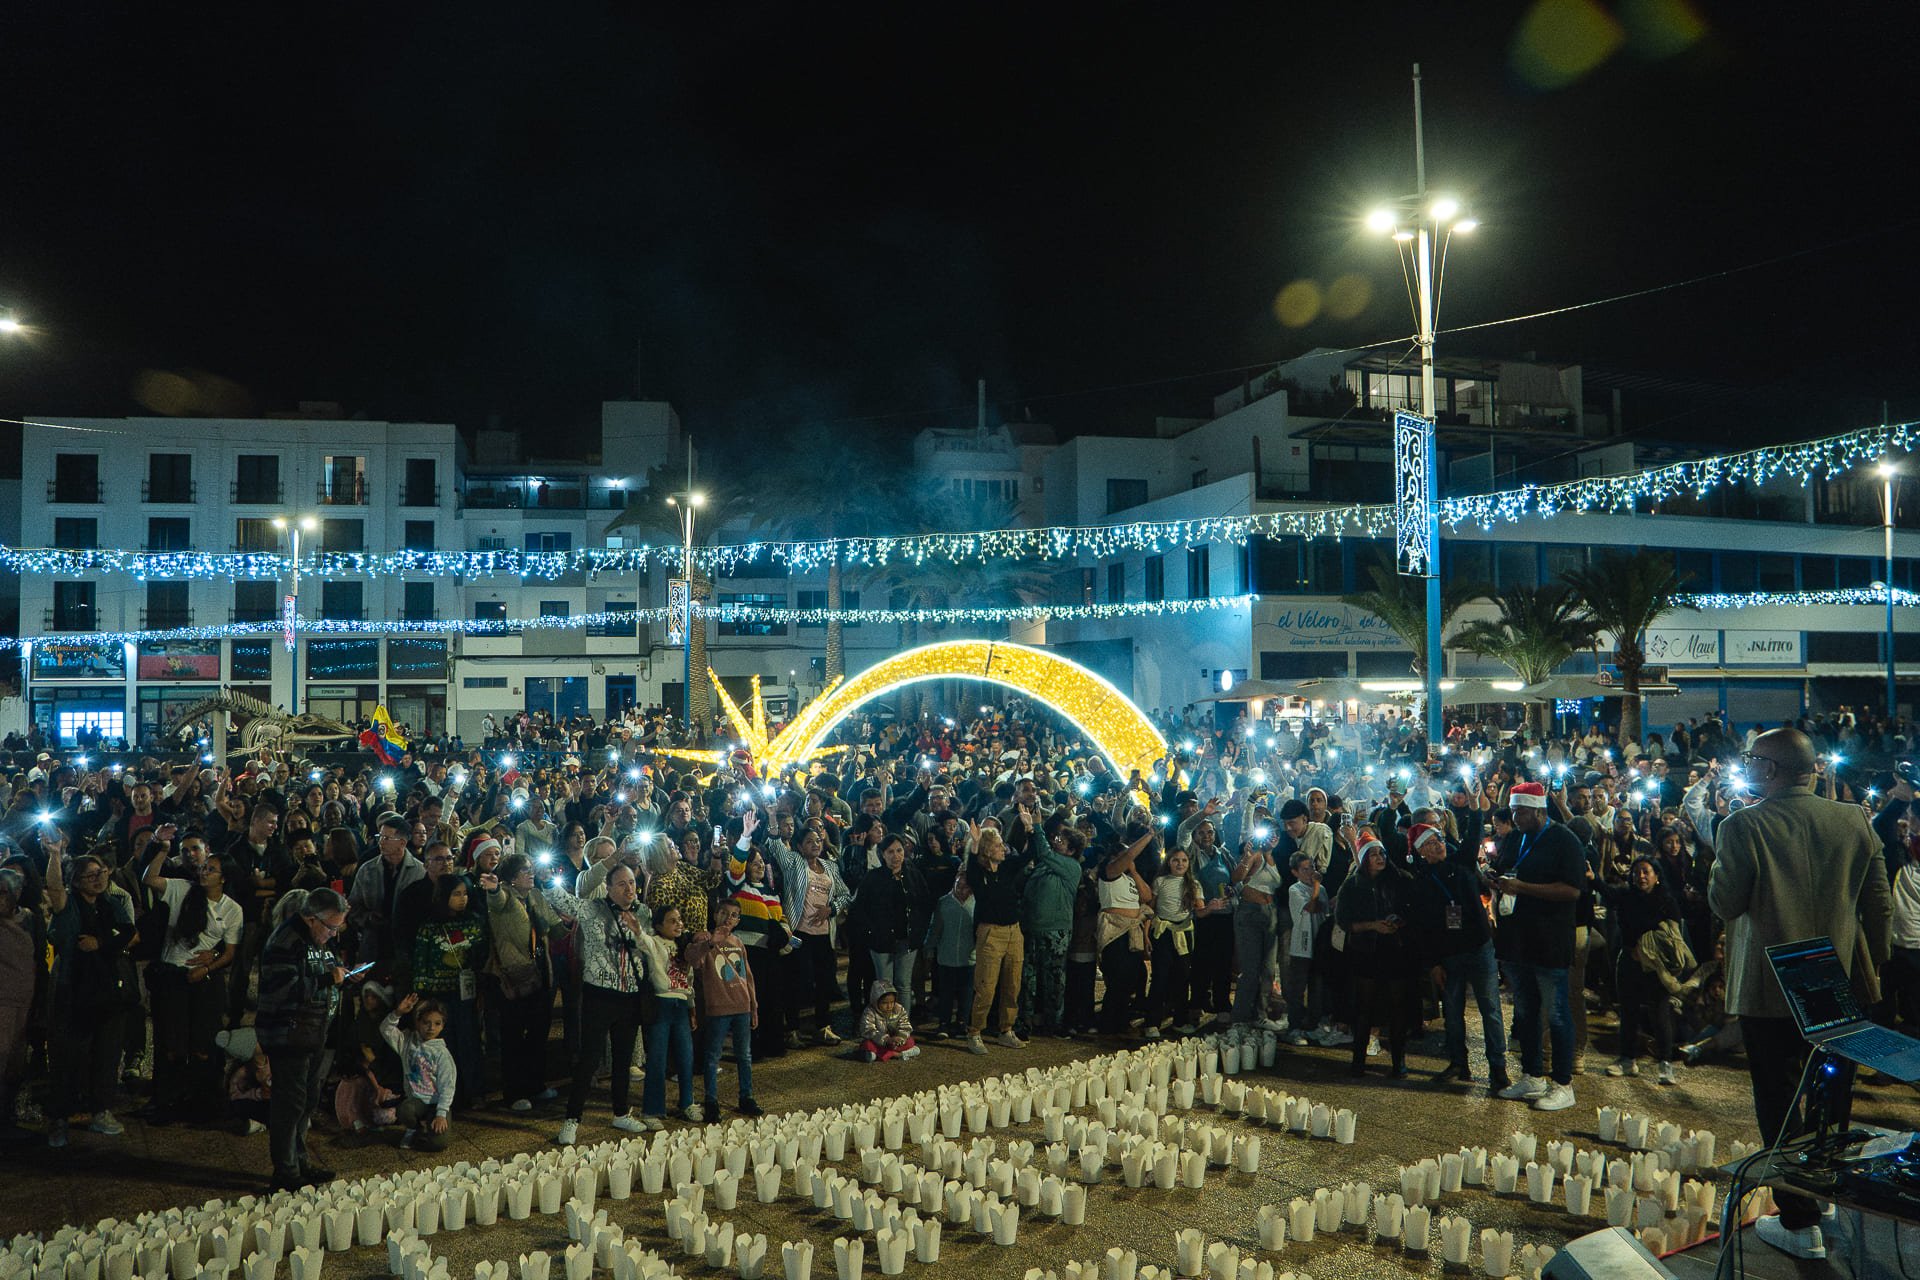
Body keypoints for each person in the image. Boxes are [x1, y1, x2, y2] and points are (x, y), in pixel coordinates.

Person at [1708, 727, 1892, 1261]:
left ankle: (1798, 1221)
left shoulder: (1743, 825)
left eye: (1752, 760)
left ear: (1769, 770)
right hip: (1841, 981)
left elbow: (1725, 901)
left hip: (1771, 988)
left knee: (1781, 1101)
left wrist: (1724, 837)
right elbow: (1877, 903)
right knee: (1833, 1094)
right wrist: (1869, 969)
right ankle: (1826, 1194)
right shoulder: (1854, 819)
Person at [1488, 781, 1585, 1113]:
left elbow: (1572, 890)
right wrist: (1494, 877)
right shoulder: (1516, 838)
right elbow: (1506, 871)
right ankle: (1532, 1075)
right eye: (1513, 810)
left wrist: (1523, 887)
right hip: (1518, 940)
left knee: (1557, 1013)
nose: (1515, 817)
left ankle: (1563, 1083)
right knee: (1526, 1011)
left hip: (1550, 941)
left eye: (1522, 811)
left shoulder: (1564, 840)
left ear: (1540, 811)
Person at [545, 857, 653, 1143]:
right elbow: (563, 901)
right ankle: (572, 1119)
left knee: (623, 1057)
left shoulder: (644, 913)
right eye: (621, 884)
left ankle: (620, 1112)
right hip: (599, 995)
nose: (629, 889)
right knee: (589, 1058)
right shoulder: (593, 908)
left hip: (630, 995)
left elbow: (650, 949)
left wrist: (639, 932)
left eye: (632, 882)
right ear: (608, 887)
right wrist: (545, 879)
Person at [256, 887, 353, 1191]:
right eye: (331, 927)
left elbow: (321, 971)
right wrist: (327, 979)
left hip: (313, 1031)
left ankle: (301, 1161)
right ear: (311, 919)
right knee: (290, 1103)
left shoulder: (317, 939)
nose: (334, 934)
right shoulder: (285, 941)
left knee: (307, 1100)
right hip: (288, 1033)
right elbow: (282, 988)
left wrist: (340, 974)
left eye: (339, 927)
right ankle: (285, 1170)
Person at [141, 839, 244, 1123]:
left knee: (202, 1043)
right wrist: (162, 849)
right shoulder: (182, 890)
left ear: (223, 877)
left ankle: (201, 1103)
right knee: (171, 1043)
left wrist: (208, 967)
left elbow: (231, 951)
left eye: (211, 870)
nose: (204, 872)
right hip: (173, 976)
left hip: (204, 982)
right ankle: (166, 1101)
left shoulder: (232, 910)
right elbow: (150, 878)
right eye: (204, 867)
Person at [44, 840, 136, 1149]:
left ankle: (101, 1109)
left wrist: (100, 942)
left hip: (107, 987)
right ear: (76, 881)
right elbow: (54, 887)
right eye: (90, 875)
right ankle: (60, 1117)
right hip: (73, 987)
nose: (98, 879)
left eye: (101, 872)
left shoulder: (113, 904)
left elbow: (128, 932)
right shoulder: (68, 905)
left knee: (107, 1053)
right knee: (69, 1055)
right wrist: (56, 855)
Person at [1404, 820, 1505, 1089]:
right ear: (1420, 851)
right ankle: (1459, 1062)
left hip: (1479, 947)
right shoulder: (1420, 882)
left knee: (1491, 1010)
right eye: (1430, 843)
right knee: (1452, 1012)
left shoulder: (1461, 862)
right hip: (1449, 955)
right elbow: (1423, 928)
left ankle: (1498, 1068)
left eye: (1438, 839)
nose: (1438, 845)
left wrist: (1474, 807)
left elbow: (1472, 835)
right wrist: (1434, 964)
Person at [479, 852, 563, 1111]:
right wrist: (493, 889)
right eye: (525, 871)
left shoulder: (535, 895)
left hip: (540, 973)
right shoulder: (504, 896)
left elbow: (555, 924)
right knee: (513, 1035)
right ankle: (513, 1092)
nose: (531, 874)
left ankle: (535, 1085)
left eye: (531, 869)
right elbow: (497, 901)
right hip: (512, 976)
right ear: (512, 878)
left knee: (538, 1032)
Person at [1599, 856, 1683, 1083]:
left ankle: (1665, 1063)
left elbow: (1674, 935)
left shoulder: (1666, 901)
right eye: (1637, 872)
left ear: (1656, 876)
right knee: (1628, 1012)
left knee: (1660, 1012)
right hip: (1628, 961)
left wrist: (1649, 950)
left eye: (1646, 872)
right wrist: (1593, 879)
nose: (1641, 876)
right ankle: (1627, 1059)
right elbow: (1608, 892)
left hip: (1656, 966)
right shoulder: (1627, 896)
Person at [1335, 831, 1413, 1077]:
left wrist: (1398, 923)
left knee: (1398, 1006)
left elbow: (1411, 909)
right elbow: (1344, 921)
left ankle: (1398, 1061)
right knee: (1364, 1007)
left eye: (1381, 853)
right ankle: (1358, 1059)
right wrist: (1372, 925)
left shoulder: (1400, 879)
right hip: (1366, 951)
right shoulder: (1353, 884)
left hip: (1395, 950)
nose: (1379, 858)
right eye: (1373, 854)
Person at [688, 898, 762, 1118]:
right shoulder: (704, 939)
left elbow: (747, 976)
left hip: (741, 1005)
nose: (728, 918)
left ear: (738, 920)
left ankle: (746, 1096)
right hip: (718, 1007)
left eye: (733, 915)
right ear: (715, 915)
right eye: (724, 913)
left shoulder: (738, 943)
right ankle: (711, 1100)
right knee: (712, 1056)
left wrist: (753, 1005)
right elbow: (693, 959)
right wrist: (711, 943)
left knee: (744, 1055)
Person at [963, 824, 1030, 1054]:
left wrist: (1031, 827)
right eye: (999, 845)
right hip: (991, 932)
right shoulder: (979, 873)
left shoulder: (1008, 867)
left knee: (1013, 984)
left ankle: (1006, 1029)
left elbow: (1031, 854)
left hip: (1014, 931)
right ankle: (974, 1031)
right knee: (986, 986)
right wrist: (973, 844)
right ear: (987, 850)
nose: (1004, 849)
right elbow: (971, 871)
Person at [638, 904, 699, 1125]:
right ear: (658, 925)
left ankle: (687, 1102)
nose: (678, 924)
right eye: (672, 921)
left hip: (681, 1005)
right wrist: (637, 929)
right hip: (661, 1003)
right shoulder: (655, 943)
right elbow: (642, 941)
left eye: (680, 919)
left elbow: (689, 980)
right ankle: (652, 1110)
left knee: (686, 1057)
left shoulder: (684, 947)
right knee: (657, 1058)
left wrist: (692, 1008)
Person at [381, 992, 456, 1151]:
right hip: (417, 1101)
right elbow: (385, 1029)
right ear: (418, 1023)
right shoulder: (407, 1041)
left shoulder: (442, 1054)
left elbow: (447, 1086)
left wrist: (441, 1114)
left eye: (437, 1023)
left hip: (437, 1103)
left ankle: (433, 1125)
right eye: (426, 1023)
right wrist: (398, 1013)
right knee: (404, 1111)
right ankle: (414, 1129)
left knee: (439, 1144)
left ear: (442, 1025)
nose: (431, 1028)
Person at [1230, 818, 1285, 1029]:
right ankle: (1241, 1017)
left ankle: (1260, 1015)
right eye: (1269, 833)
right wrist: (1246, 855)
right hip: (1250, 914)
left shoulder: (1277, 859)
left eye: (1276, 834)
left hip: (1270, 914)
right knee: (1250, 969)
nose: (1273, 837)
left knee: (1269, 969)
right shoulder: (1256, 855)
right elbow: (1236, 877)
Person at [926, 875, 976, 1039]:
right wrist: (929, 947)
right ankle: (944, 1023)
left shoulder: (976, 903)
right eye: (958, 885)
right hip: (946, 956)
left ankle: (962, 1022)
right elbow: (935, 928)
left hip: (969, 957)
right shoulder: (944, 902)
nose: (961, 890)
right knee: (946, 992)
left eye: (965, 886)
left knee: (966, 993)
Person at [857, 979, 920, 1062]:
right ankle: (895, 1054)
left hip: (895, 1043)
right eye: (884, 1003)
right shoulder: (870, 1011)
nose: (889, 1006)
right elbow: (868, 1030)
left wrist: (900, 1038)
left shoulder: (898, 1009)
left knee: (910, 1041)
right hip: (879, 1042)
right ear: (876, 1001)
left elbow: (905, 1026)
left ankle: (890, 1054)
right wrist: (886, 1040)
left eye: (892, 1002)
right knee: (868, 1045)